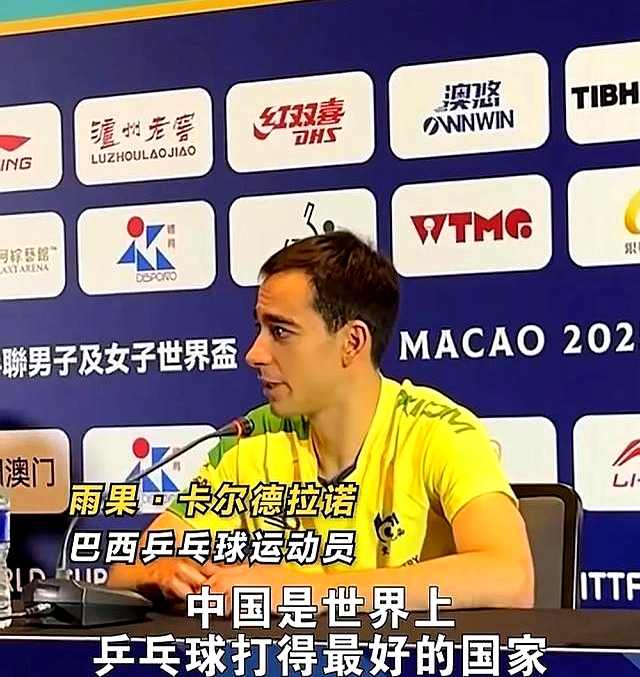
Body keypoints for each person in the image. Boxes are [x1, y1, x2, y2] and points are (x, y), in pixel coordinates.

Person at [108, 231, 534, 612]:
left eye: (281, 331)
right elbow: (125, 572)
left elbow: (510, 578)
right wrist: (159, 573)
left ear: (352, 342)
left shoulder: (437, 430)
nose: (253, 354)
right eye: (259, 328)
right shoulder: (252, 439)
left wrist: (306, 592)